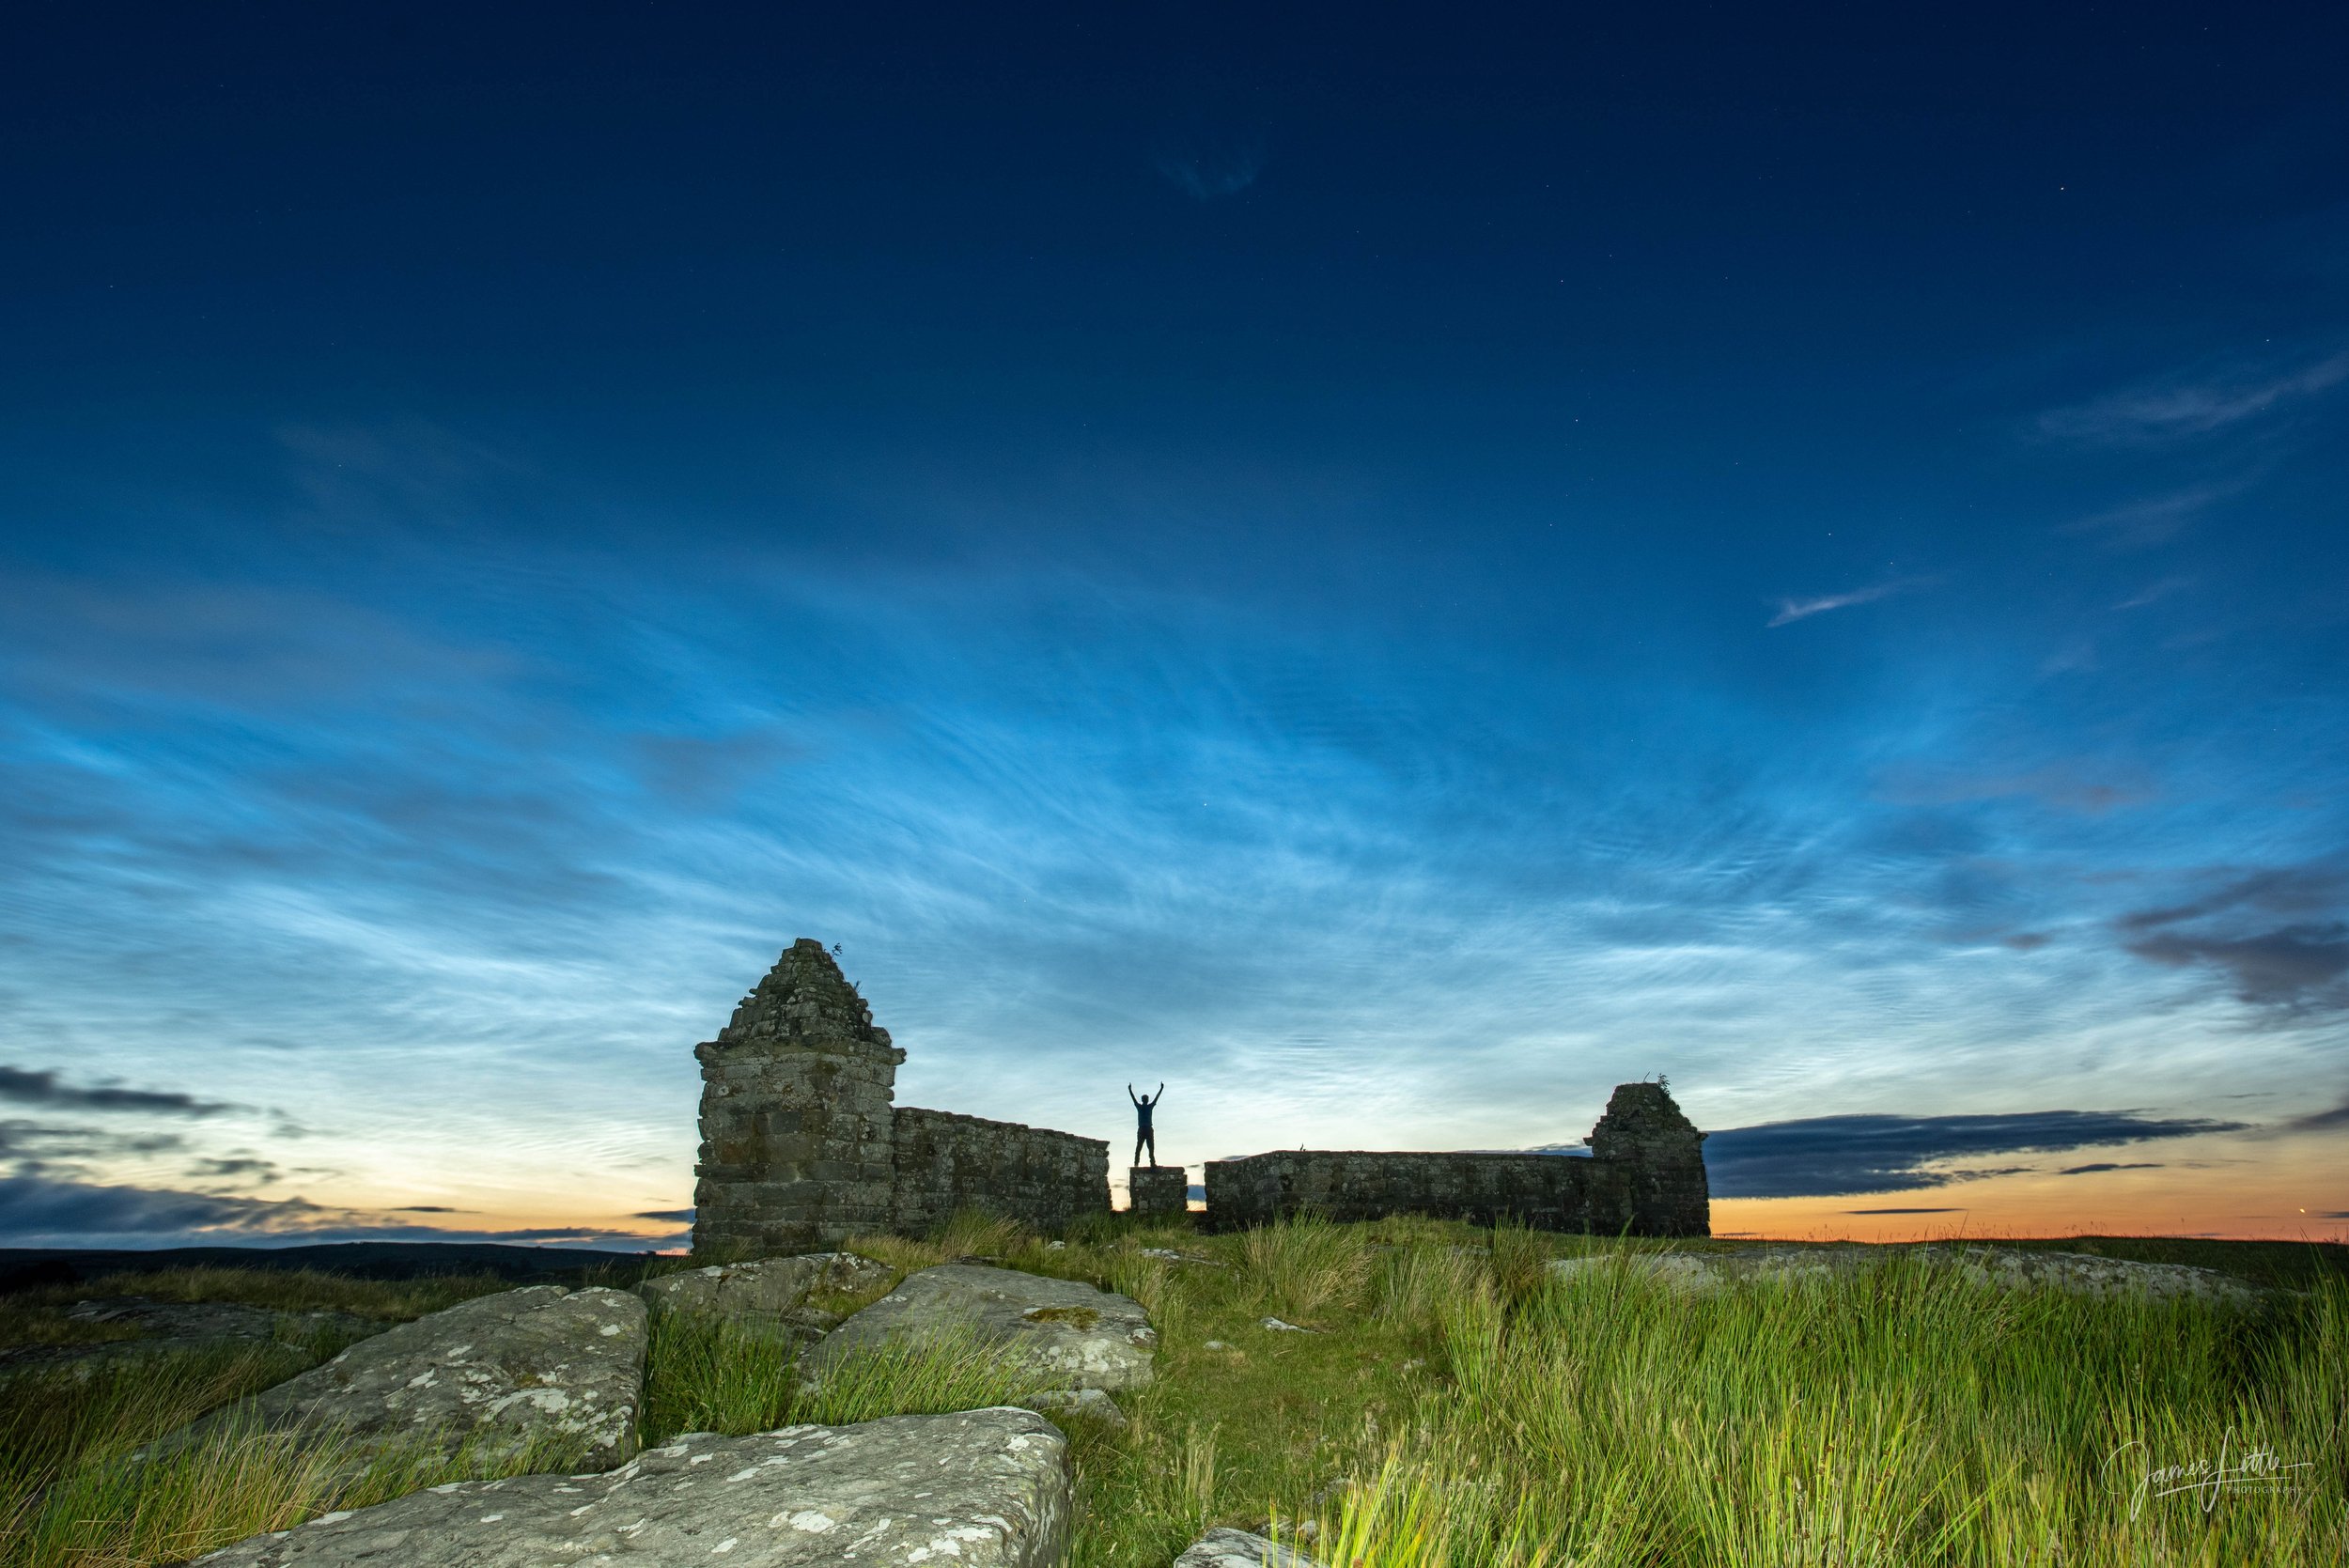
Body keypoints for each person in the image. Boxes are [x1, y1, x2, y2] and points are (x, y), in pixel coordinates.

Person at [1128, 1082, 1163, 1169]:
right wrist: (1161, 1089)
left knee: (1139, 1147)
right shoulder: (1149, 1106)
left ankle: (1136, 1164)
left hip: (1142, 1129)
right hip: (1148, 1129)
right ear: (1146, 1100)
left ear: (1142, 1100)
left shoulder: (1139, 1106)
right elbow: (1156, 1098)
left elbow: (1133, 1098)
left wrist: (1130, 1090)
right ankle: (1152, 1163)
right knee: (1150, 1147)